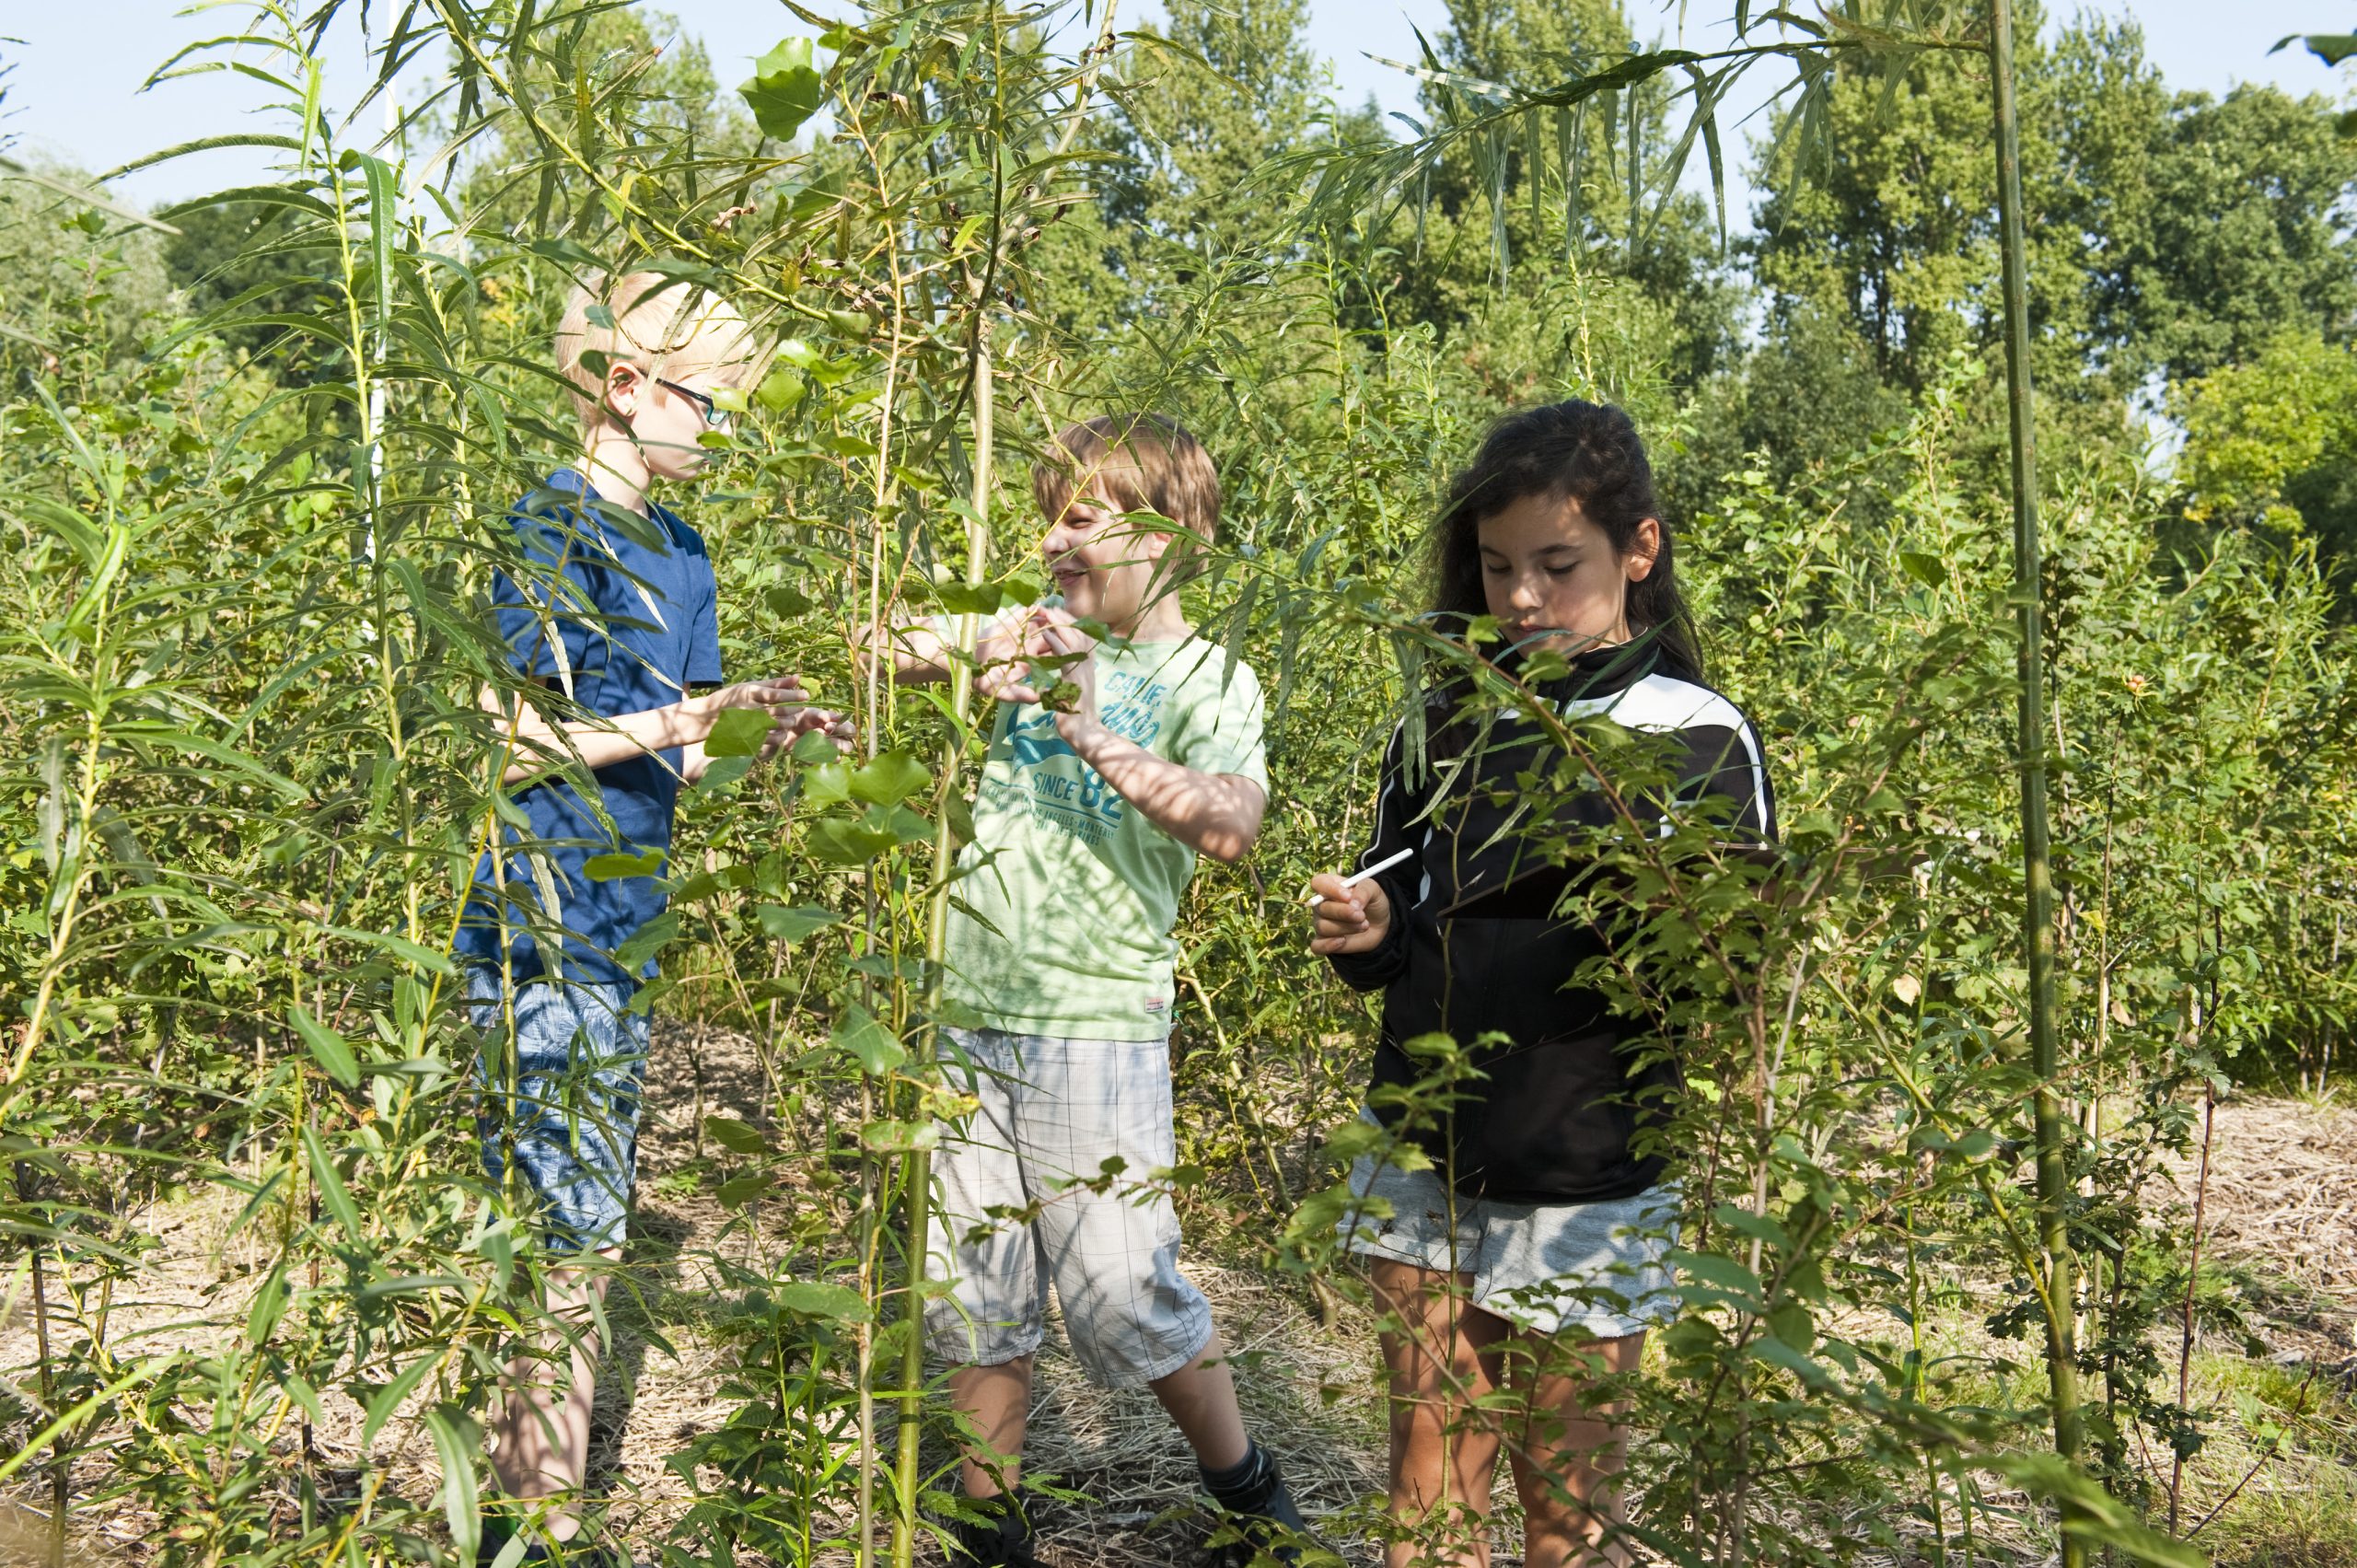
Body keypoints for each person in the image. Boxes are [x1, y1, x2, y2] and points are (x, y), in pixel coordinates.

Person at [1308, 400, 1775, 1568]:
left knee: (1563, 1512)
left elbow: (1726, 974)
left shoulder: (1692, 732)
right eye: (1496, 564)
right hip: (1424, 1144)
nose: (1520, 597)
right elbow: (1396, 905)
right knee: (1429, 1465)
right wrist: (1366, 925)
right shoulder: (1441, 718)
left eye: (1556, 565)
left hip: (1587, 1169)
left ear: (1639, 549)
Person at [868, 414, 1309, 1566]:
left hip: (1095, 1026)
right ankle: (989, 1521)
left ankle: (1250, 1491)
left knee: (1120, 1290)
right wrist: (975, 638)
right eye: (1045, 512)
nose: (1050, 537)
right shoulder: (1037, 626)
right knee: (976, 1288)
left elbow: (1231, 822)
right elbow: (883, 639)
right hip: (967, 1010)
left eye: (1079, 515)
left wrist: (1086, 721)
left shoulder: (1209, 674)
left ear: (1172, 531)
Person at [458, 271, 849, 1562]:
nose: (724, 431)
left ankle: (527, 1511)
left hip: (625, 923)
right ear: (626, 389)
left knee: (585, 1231)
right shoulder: (547, 528)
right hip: (540, 917)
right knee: (570, 1236)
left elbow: (679, 760)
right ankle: (539, 1519)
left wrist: (753, 729)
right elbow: (510, 742)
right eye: (711, 404)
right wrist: (674, 718)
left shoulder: (683, 553)